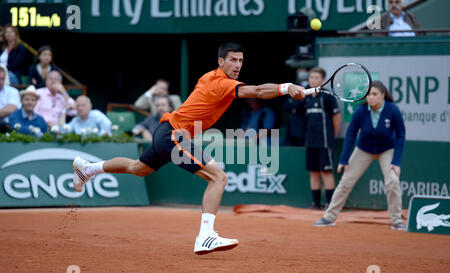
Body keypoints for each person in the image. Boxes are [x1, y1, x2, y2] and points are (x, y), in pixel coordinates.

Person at [72, 42, 306, 255]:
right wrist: (286, 87)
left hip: (165, 132)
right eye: (233, 60)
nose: (237, 65)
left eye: (241, 60)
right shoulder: (220, 83)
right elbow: (255, 92)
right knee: (219, 178)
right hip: (173, 135)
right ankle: (205, 236)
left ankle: (88, 169)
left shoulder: (209, 78)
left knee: (138, 168)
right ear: (221, 62)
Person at [314, 81, 407, 230]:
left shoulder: (393, 110)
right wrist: (344, 160)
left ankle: (396, 220)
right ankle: (329, 217)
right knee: (345, 182)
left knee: (392, 182)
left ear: (383, 95)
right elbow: (351, 134)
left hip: (386, 150)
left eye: (374, 94)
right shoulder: (360, 111)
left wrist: (396, 162)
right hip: (364, 149)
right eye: (368, 94)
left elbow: (401, 135)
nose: (370, 98)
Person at [301, 67, 341, 209]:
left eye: (317, 78)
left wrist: (332, 137)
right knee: (314, 172)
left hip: (324, 141)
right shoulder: (305, 97)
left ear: (323, 80)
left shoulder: (328, 96)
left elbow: (337, 117)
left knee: (326, 172)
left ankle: (330, 204)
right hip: (310, 141)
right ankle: (316, 204)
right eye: (311, 78)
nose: (313, 80)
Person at [281, 67, 309, 147]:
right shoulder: (294, 86)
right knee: (288, 144)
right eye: (298, 70)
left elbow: (300, 104)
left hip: (303, 121)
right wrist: (294, 103)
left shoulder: (309, 87)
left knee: (301, 144)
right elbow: (286, 105)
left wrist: (294, 103)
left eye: (301, 70)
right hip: (292, 121)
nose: (299, 72)